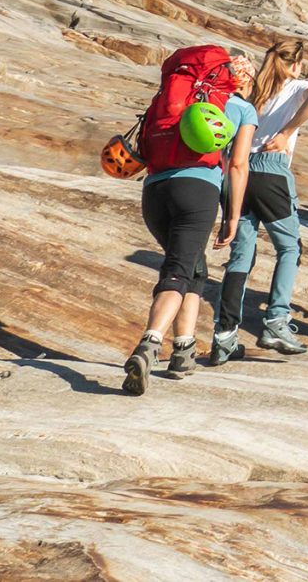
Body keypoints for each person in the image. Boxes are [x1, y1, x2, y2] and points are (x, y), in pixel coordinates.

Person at [124, 47, 257, 395]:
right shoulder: (240, 107)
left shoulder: (177, 92)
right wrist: (233, 215)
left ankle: (183, 349)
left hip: (154, 190)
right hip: (196, 188)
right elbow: (239, 166)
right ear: (240, 76)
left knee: (194, 267)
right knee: (178, 271)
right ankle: (148, 346)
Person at [211, 39, 308, 363]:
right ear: (295, 64)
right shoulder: (297, 84)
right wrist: (288, 133)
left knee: (241, 254)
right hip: (271, 172)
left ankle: (224, 335)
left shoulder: (254, 91)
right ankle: (276, 320)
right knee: (290, 248)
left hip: (239, 172)